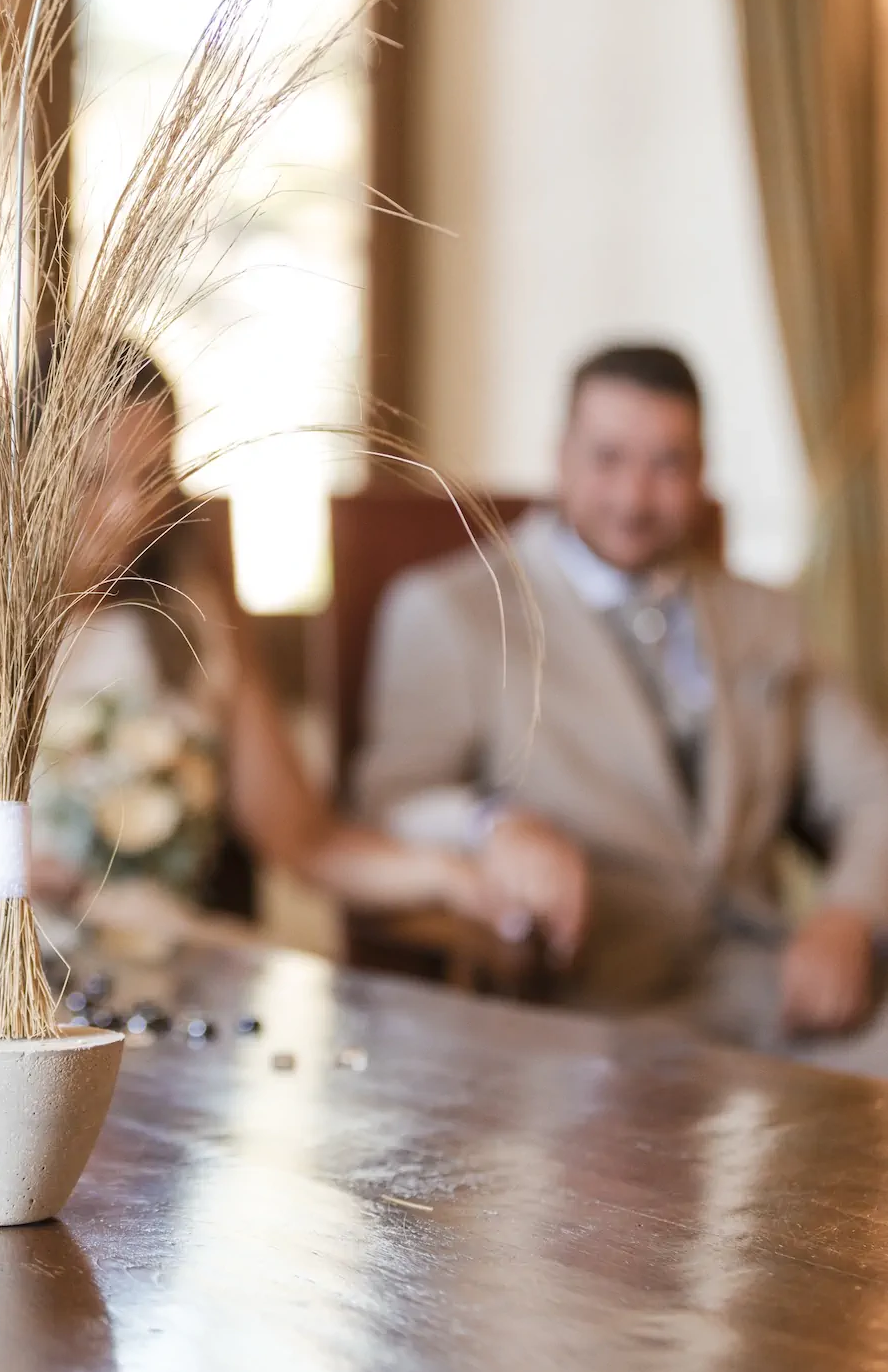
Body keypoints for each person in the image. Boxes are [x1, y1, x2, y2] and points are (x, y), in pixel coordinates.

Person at [0, 352, 516, 927]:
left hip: (160, 984)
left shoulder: (194, 620)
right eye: (92, 478)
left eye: (150, 479)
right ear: (21, 470)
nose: (128, 510)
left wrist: (446, 875)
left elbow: (305, 839)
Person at [354, 343, 888, 1057]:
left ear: (701, 470)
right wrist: (494, 826)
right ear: (561, 458)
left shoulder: (767, 617)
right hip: (589, 1024)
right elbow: (390, 806)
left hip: (779, 996)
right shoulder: (453, 612)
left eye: (667, 463)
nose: (634, 498)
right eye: (607, 458)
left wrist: (849, 914)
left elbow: (872, 788)